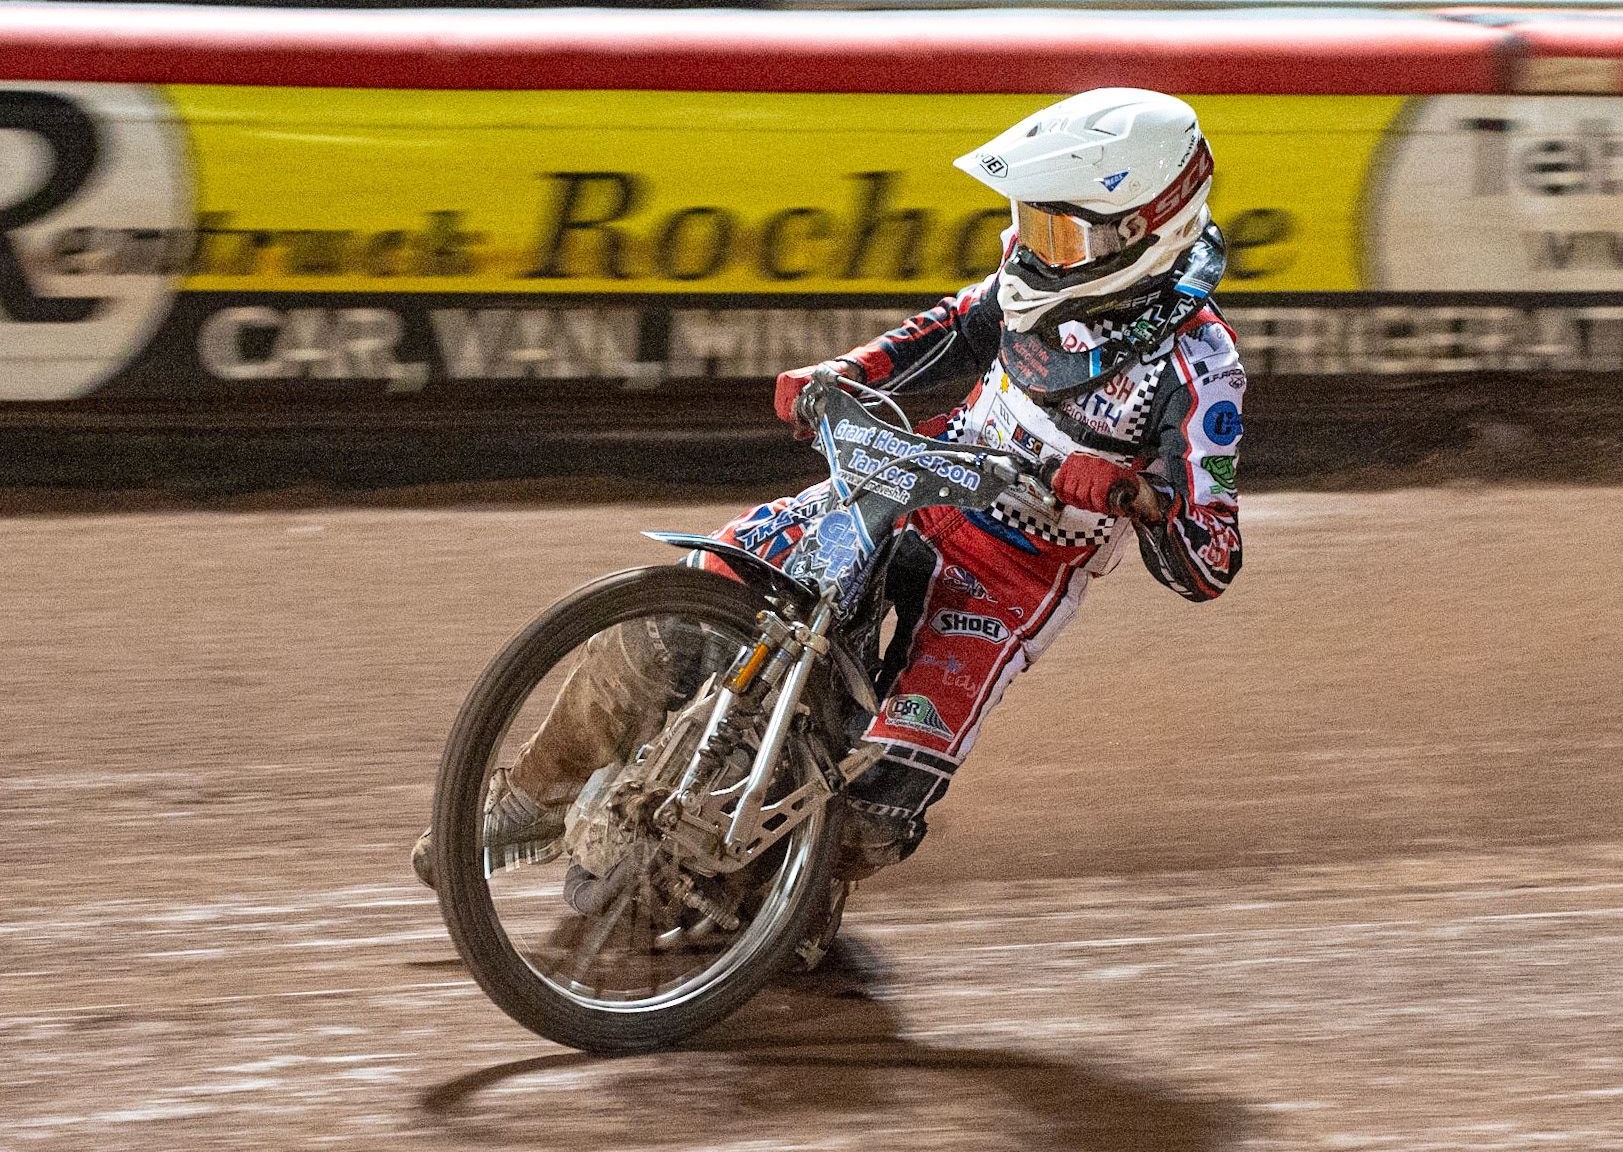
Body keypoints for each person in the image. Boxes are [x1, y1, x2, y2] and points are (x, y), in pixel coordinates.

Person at [413, 87, 1246, 962]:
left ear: (1148, 229)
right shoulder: (1026, 284)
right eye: (1032, 222)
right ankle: (535, 795)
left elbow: (1211, 560)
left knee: (880, 801)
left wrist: (1131, 494)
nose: (1036, 249)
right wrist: (843, 369)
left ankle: (793, 891)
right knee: (699, 597)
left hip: (1015, 566)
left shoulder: (1200, 368)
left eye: (1062, 235)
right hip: (921, 478)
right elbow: (953, 328)